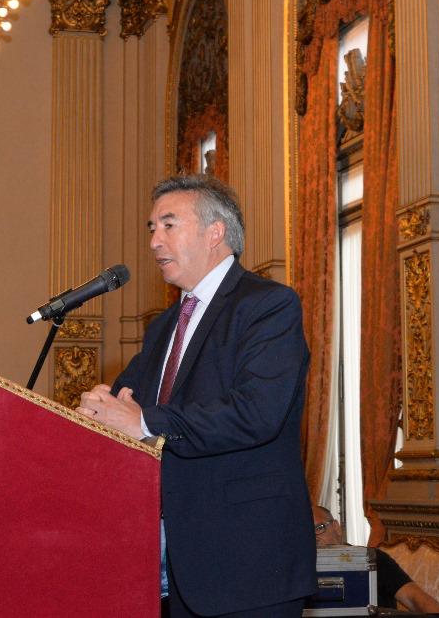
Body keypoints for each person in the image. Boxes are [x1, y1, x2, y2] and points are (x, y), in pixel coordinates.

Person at [79, 174, 316, 618]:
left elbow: (256, 412)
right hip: (173, 568)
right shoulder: (164, 326)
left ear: (215, 232)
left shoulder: (268, 306)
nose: (154, 241)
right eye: (151, 228)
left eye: (169, 225)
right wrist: (99, 409)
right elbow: (126, 404)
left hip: (248, 563)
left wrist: (145, 424)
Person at [312, 506, 439, 613]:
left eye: (319, 528)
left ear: (336, 527)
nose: (313, 538)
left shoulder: (371, 559)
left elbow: (413, 597)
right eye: (306, 532)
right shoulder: (298, 570)